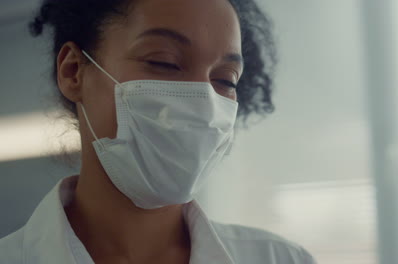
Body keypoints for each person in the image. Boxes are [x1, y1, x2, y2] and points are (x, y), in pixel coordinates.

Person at [0, 0, 316, 263]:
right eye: (164, 63)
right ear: (73, 72)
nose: (202, 103)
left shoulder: (281, 258)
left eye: (225, 80)